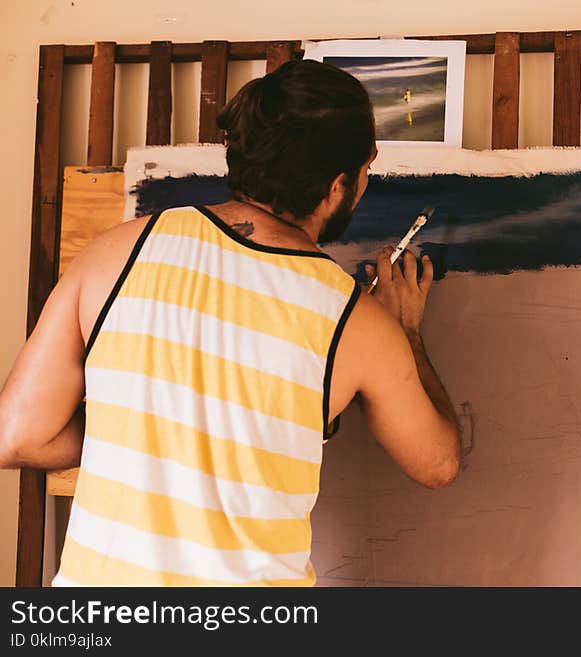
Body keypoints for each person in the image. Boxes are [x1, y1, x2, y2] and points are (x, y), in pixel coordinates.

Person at [0, 59, 461, 586]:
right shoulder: (355, 321)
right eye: (366, 169)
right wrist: (406, 334)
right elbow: (437, 463)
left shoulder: (114, 253)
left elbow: (15, 436)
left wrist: (147, 429)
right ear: (336, 187)